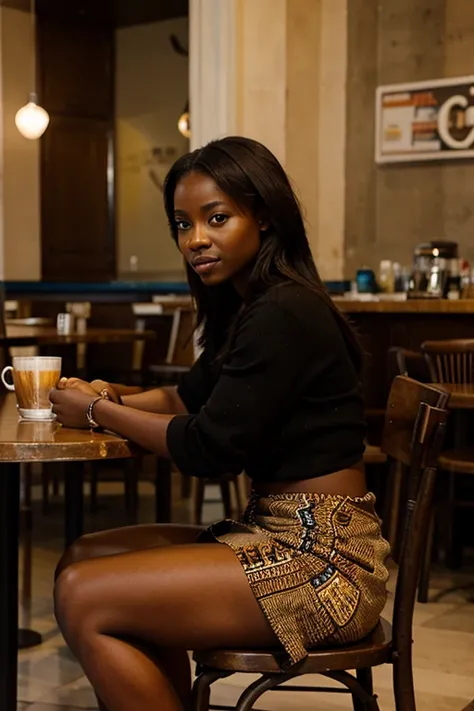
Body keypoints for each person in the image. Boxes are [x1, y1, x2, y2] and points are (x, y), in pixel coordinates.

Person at [51, 136, 390, 711]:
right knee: (85, 558)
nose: (196, 240)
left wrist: (95, 412)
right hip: (276, 534)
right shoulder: (251, 307)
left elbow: (208, 448)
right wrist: (110, 391)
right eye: (183, 225)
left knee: (84, 594)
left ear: (262, 215)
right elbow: (186, 396)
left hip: (325, 564)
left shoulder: (284, 311)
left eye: (217, 218)